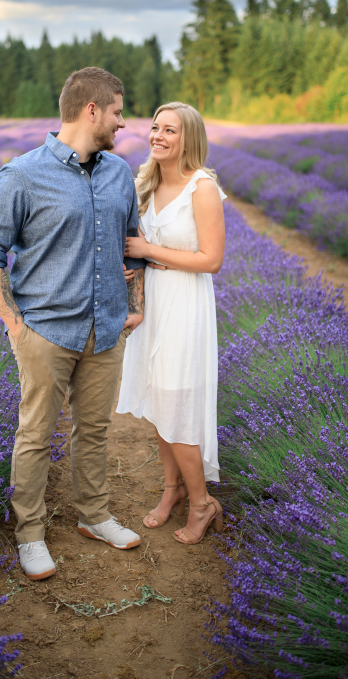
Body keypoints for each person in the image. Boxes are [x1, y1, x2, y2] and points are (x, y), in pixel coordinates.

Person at [0, 67, 147, 581]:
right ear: (91, 109)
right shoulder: (21, 175)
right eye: (118, 110)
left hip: (106, 327)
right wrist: (12, 321)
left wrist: (134, 303)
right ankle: (29, 534)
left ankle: (94, 515)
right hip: (47, 331)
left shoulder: (119, 172)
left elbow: (131, 243)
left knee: (93, 431)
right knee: (36, 434)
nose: (123, 120)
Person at [116, 101, 227, 545]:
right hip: (153, 304)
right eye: (156, 127)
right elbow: (135, 244)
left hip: (185, 304)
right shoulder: (145, 181)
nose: (158, 136)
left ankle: (202, 505)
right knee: (161, 403)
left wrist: (148, 254)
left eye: (170, 131)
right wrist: (131, 266)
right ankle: (172, 492)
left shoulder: (202, 188)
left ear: (189, 139)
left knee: (177, 405)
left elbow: (211, 260)